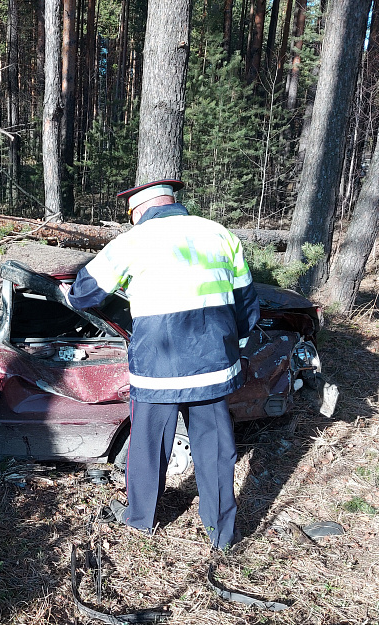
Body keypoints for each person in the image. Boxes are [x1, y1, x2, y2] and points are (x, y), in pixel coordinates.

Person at [62, 179, 259, 550]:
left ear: (137, 211)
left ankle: (141, 519)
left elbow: (86, 293)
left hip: (157, 368)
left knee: (149, 446)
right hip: (213, 365)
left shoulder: (133, 241)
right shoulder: (219, 234)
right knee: (215, 448)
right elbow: (247, 305)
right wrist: (237, 346)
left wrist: (74, 291)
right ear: (173, 202)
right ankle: (222, 534)